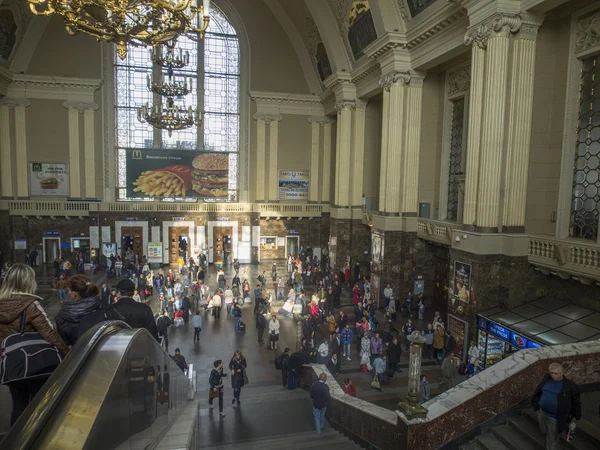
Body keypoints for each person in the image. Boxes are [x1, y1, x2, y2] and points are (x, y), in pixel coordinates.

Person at [0, 264, 70, 425]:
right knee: (39, 403)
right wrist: (68, 355)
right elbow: (50, 334)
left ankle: (17, 440)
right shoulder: (30, 305)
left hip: (10, 362)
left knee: (19, 403)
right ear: (28, 281)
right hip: (33, 361)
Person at [532, 362, 581, 450]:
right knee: (544, 430)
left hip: (554, 417)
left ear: (562, 373)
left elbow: (576, 402)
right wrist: (535, 404)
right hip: (541, 411)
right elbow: (539, 390)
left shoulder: (570, 386)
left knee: (551, 438)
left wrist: (576, 416)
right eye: (552, 373)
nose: (553, 375)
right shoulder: (546, 378)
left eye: (556, 373)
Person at [55, 274, 102, 346]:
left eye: (69, 290)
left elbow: (63, 344)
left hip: (79, 354)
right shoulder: (103, 306)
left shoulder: (63, 316)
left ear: (73, 293)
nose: (68, 293)